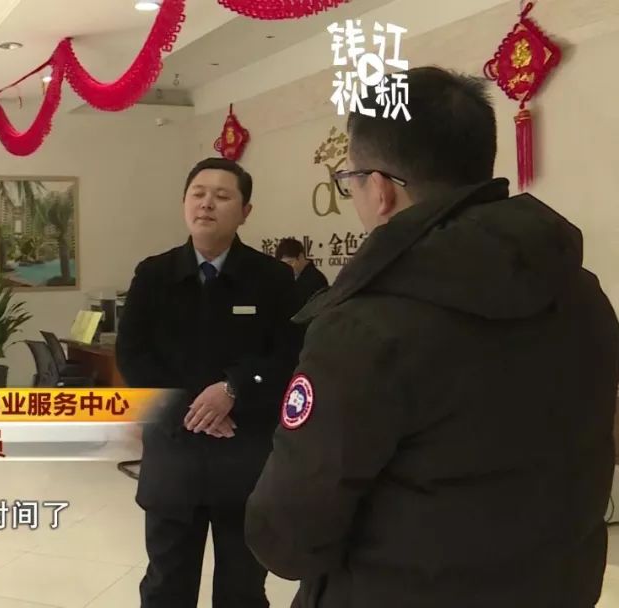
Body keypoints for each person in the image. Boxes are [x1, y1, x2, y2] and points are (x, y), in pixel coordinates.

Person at [245, 66, 619, 608]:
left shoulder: (365, 327)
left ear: (380, 189)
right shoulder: (583, 294)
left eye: (349, 180)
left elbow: (287, 535)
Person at [117, 157, 302, 607]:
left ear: (245, 211)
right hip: (174, 452)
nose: (207, 204)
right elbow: (132, 357)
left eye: (222, 196)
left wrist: (234, 388)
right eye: (198, 194)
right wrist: (192, 409)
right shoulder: (154, 274)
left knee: (243, 588)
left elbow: (290, 355)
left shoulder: (273, 278)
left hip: (245, 454)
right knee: (166, 582)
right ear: (184, 202)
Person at [275, 237, 329, 309]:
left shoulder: (316, 279)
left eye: (290, 263)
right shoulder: (291, 277)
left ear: (301, 256)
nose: (287, 268)